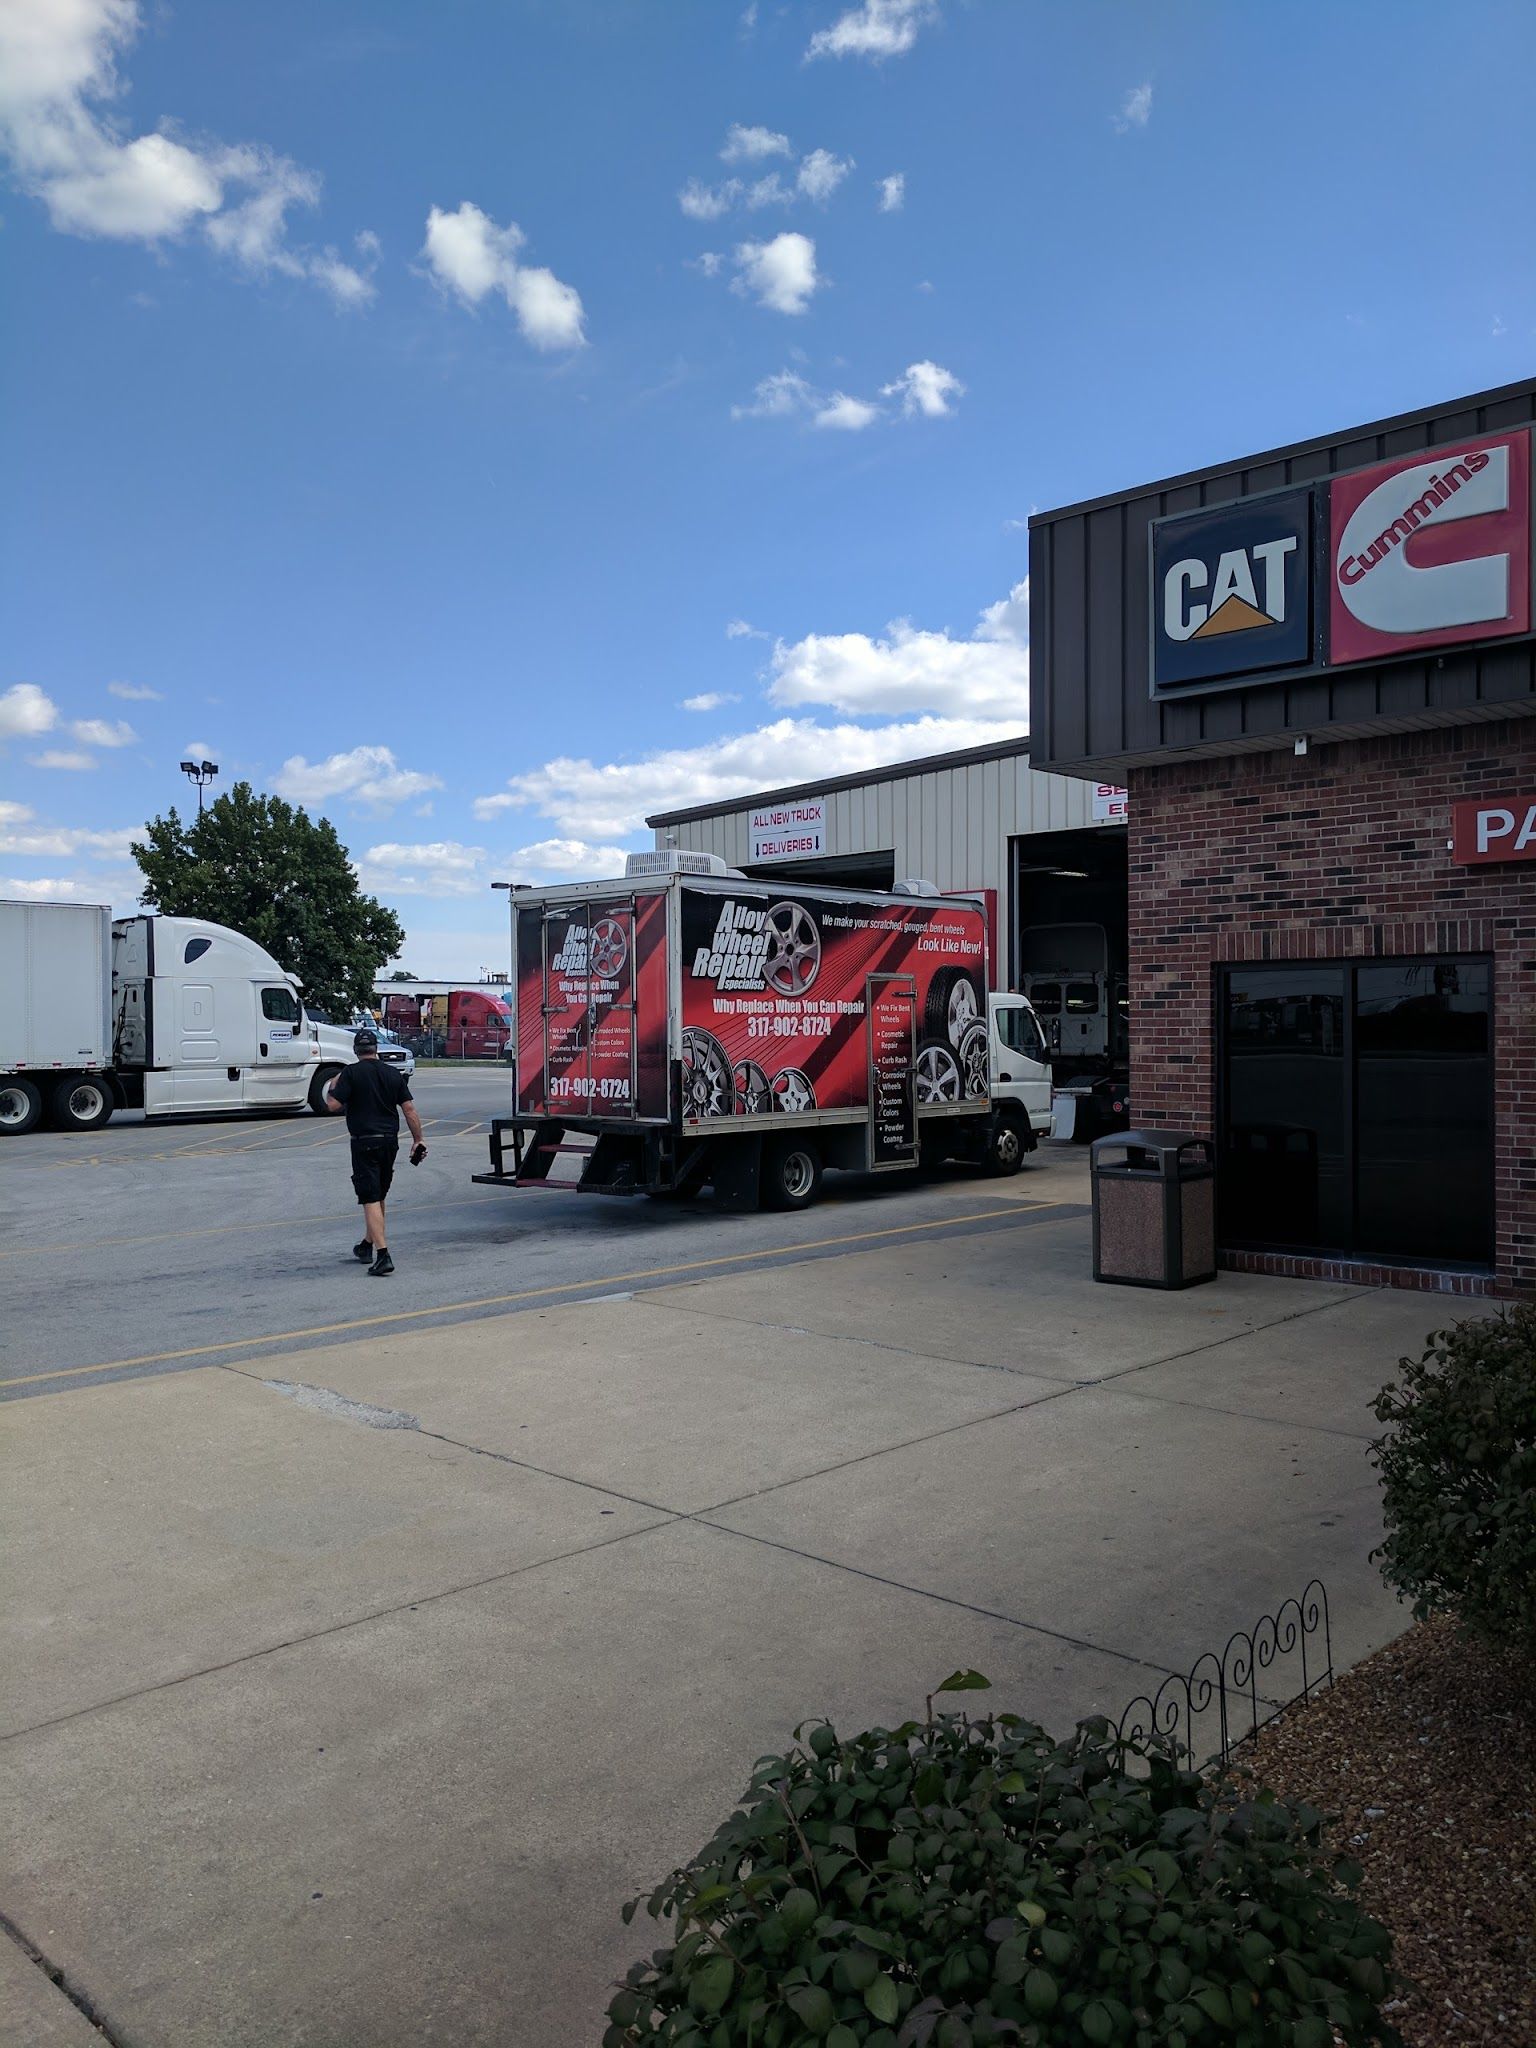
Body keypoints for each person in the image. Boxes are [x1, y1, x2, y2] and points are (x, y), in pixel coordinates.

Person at [325, 1027, 426, 1276]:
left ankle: (383, 1255)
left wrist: (333, 1084)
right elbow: (410, 1110)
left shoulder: (350, 1073)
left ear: (356, 1051)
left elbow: (332, 1105)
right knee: (378, 1195)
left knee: (369, 1198)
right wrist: (418, 1140)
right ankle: (367, 1245)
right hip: (389, 1142)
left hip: (363, 1142)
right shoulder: (392, 1074)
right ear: (376, 1049)